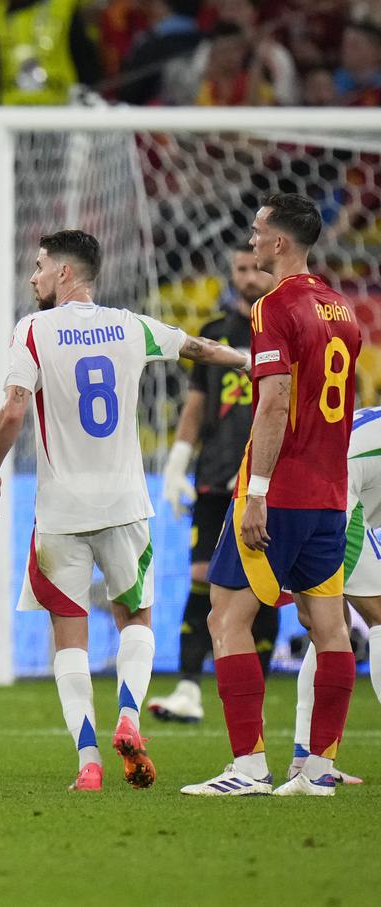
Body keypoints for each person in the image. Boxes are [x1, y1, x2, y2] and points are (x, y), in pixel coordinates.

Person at [0, 229, 251, 793]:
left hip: (60, 511)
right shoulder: (131, 325)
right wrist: (248, 359)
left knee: (68, 635)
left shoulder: (32, 330)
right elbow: (199, 349)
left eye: (39, 266)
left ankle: (89, 763)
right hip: (126, 503)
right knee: (137, 618)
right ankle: (129, 715)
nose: (32, 277)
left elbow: (11, 410)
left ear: (65, 274)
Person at [181, 193, 361, 798]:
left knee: (226, 618)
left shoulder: (272, 307)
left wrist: (256, 490)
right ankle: (316, 772)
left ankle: (248, 768)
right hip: (330, 493)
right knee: (327, 626)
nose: (253, 239)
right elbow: (326, 391)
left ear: (279, 242)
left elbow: (279, 402)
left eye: (258, 230)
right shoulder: (342, 308)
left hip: (278, 491)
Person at [149, 244, 279, 723]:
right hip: (216, 476)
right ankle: (188, 686)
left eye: (254, 268)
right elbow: (197, 404)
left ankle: (255, 692)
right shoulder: (214, 334)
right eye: (240, 269)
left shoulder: (285, 327)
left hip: (267, 480)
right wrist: (178, 462)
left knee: (265, 584)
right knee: (202, 576)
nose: (247, 277)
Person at [288, 404, 381, 785]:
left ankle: (307, 760)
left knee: (328, 628)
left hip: (293, 493)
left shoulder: (370, 420)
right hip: (333, 496)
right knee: (377, 614)